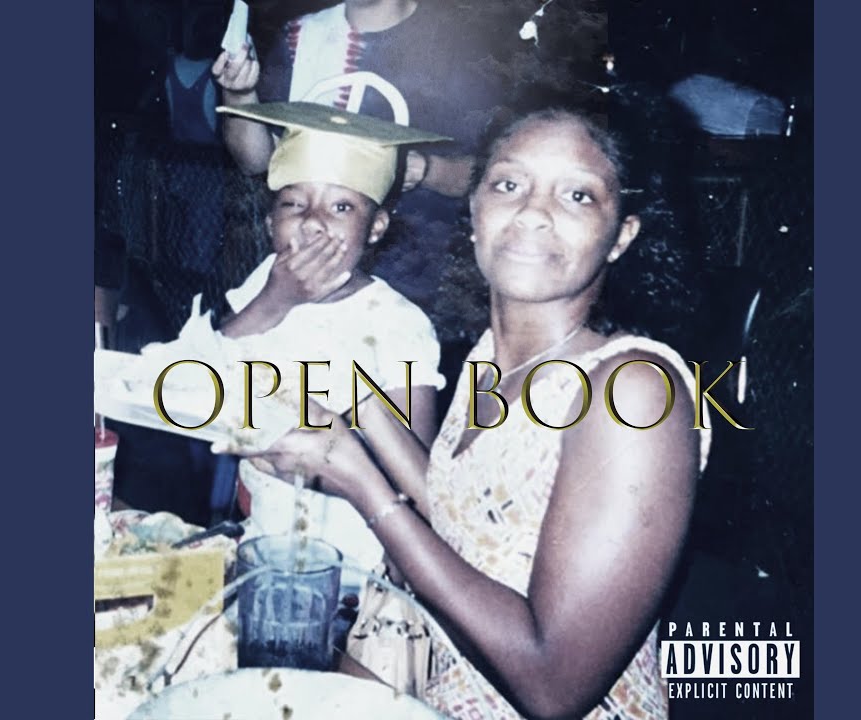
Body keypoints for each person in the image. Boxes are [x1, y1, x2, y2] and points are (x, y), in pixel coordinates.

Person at [222, 108, 712, 719]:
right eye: (508, 184)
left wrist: (360, 481)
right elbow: (463, 521)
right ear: (475, 210)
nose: (533, 212)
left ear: (621, 235)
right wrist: (357, 406)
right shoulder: (489, 362)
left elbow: (553, 688)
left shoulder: (634, 389)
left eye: (577, 195)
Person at [168, 100, 449, 584]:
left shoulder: (398, 324)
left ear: (376, 226)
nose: (314, 220)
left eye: (342, 206)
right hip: (262, 547)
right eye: (294, 204)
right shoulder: (264, 284)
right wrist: (273, 302)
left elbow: (416, 482)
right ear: (269, 224)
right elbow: (184, 389)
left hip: (356, 566)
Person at [210, 0, 506, 315]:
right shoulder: (303, 36)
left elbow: (494, 175)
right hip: (308, 268)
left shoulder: (457, 45)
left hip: (415, 280)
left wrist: (428, 169)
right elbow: (257, 162)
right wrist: (240, 95)